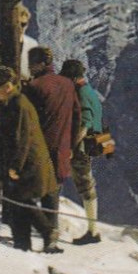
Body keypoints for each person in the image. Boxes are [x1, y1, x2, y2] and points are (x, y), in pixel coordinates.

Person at [0, 66, 59, 253]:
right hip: (28, 162)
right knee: (17, 203)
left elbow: (22, 138)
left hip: (27, 164)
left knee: (20, 201)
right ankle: (24, 243)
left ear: (8, 86)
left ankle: (45, 232)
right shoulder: (14, 103)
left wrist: (15, 166)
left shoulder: (18, 105)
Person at [22, 46, 80, 246]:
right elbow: (77, 117)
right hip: (62, 149)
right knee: (52, 192)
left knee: (24, 192)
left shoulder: (34, 87)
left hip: (41, 148)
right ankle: (51, 237)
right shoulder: (68, 85)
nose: (29, 68)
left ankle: (43, 233)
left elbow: (27, 121)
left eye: (31, 64)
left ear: (40, 64)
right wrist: (71, 145)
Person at [61, 59, 104, 245]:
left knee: (85, 185)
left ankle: (93, 232)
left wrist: (71, 146)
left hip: (82, 146)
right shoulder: (90, 91)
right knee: (87, 184)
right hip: (94, 142)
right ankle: (92, 230)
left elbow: (85, 123)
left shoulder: (81, 93)